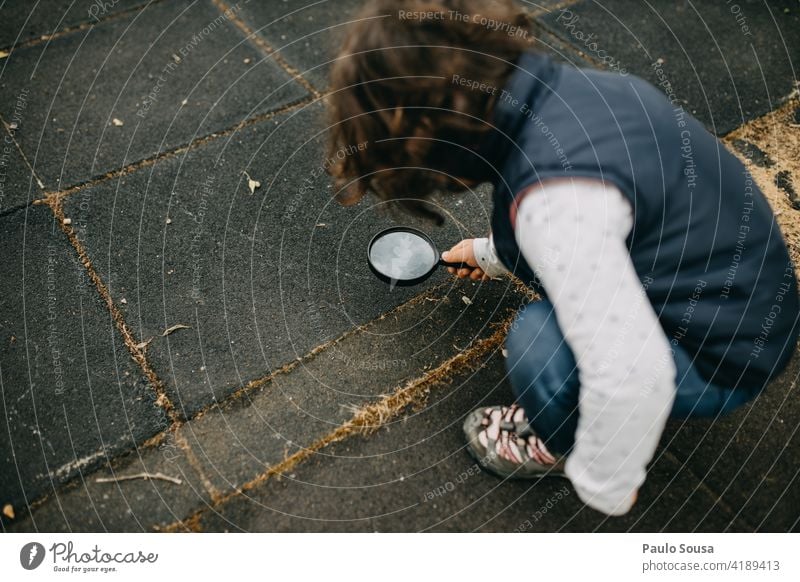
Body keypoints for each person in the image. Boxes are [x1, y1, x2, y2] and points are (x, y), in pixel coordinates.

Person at [325, 0, 800, 515]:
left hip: (723, 358)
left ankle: (550, 442)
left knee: (539, 340)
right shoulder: (580, 96)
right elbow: (598, 221)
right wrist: (490, 254)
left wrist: (606, 480)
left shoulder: (555, 204)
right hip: (752, 304)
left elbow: (629, 371)